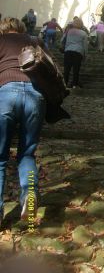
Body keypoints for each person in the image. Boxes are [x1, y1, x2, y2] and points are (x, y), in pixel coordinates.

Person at [0, 17, 46, 226]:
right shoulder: (34, 40)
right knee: (27, 154)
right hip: (35, 96)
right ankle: (29, 196)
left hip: (5, 94)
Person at [61, 18, 88, 89]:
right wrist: (85, 55)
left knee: (67, 69)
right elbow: (85, 45)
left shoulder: (68, 31)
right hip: (78, 52)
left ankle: (64, 84)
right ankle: (74, 85)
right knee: (76, 69)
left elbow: (62, 40)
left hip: (68, 51)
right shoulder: (83, 33)